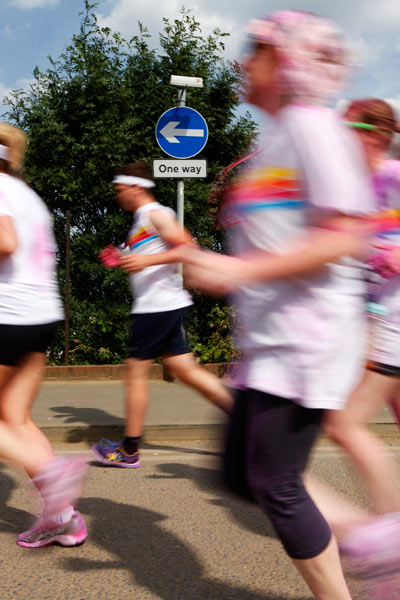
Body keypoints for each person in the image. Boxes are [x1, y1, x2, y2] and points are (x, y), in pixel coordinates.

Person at [176, 10, 398, 600]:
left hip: (308, 340)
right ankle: (376, 540)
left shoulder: (313, 128)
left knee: (273, 480)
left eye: (257, 49)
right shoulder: (274, 137)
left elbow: (347, 237)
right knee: (242, 475)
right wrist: (215, 265)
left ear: (289, 62)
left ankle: (370, 554)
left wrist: (240, 270)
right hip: (271, 342)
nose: (242, 61)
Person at [91, 161, 232, 468]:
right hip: (164, 305)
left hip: (158, 307)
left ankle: (129, 451)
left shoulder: (158, 213)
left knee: (134, 373)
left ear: (135, 187)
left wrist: (145, 262)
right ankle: (248, 420)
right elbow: (147, 254)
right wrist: (122, 256)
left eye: (119, 189)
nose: (117, 195)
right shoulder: (143, 219)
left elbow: (188, 249)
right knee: (187, 371)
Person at [0, 123, 88, 548]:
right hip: (41, 314)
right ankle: (64, 518)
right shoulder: (28, 195)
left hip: (7, 314)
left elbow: (4, 241)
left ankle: (56, 475)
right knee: (15, 418)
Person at [322, 99, 400, 517]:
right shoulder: (358, 186)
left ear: (374, 135)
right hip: (375, 320)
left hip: (393, 324)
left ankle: (388, 534)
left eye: (347, 129)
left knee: (343, 424)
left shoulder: (394, 176)